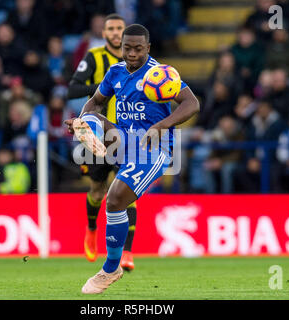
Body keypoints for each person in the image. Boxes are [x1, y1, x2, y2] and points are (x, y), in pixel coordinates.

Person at [65, 24, 199, 294]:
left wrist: (162, 125)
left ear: (148, 48)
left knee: (114, 200)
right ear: (122, 47)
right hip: (123, 141)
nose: (132, 53)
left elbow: (191, 103)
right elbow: (95, 101)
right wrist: (81, 119)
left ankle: (110, 268)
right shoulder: (115, 72)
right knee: (92, 116)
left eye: (138, 48)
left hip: (154, 147)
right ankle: (91, 138)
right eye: (127, 48)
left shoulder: (160, 73)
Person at [68, 14, 139, 270]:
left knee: (127, 194)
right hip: (99, 137)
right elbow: (72, 90)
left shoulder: (137, 61)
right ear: (104, 32)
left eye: (120, 28)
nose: (116, 32)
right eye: (111, 28)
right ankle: (91, 228)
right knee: (98, 192)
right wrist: (106, 86)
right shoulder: (95, 57)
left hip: (126, 138)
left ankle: (128, 252)